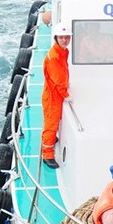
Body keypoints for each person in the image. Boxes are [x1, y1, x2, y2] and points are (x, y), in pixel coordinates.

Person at [41, 22, 72, 168]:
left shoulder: (63, 51)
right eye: (62, 37)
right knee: (51, 125)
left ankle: (51, 140)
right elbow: (58, 79)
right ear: (56, 38)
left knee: (53, 123)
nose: (65, 40)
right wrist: (66, 94)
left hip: (55, 93)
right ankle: (47, 154)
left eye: (67, 37)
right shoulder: (54, 57)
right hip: (53, 96)